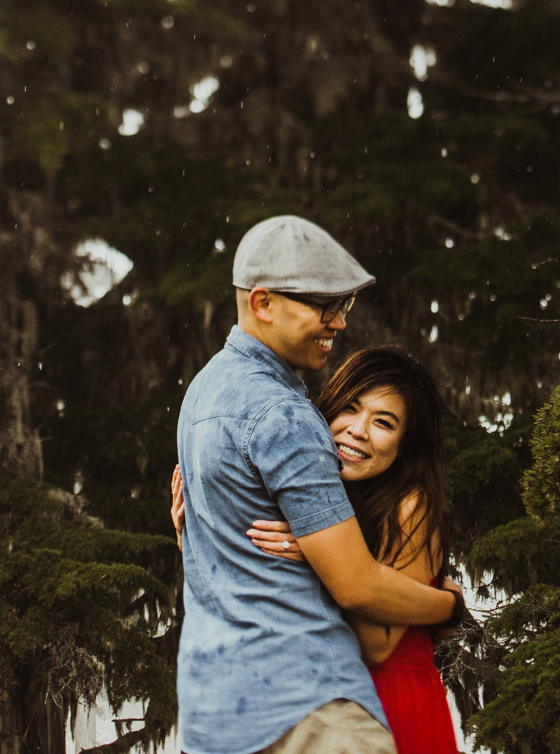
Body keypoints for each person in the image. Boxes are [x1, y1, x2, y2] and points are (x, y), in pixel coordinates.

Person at [175, 216, 464, 754]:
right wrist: (449, 607)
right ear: (262, 303)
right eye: (322, 306)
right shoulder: (283, 413)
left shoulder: (202, 394)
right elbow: (354, 586)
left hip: (223, 711)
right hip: (309, 708)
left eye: (344, 307)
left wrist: (311, 552)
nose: (337, 322)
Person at [240, 348, 461, 754]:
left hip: (390, 703)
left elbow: (378, 646)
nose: (357, 430)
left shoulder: (410, 506)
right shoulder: (306, 493)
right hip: (315, 705)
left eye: (383, 423)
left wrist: (321, 556)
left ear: (405, 445)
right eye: (349, 408)